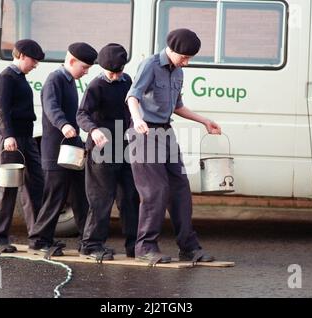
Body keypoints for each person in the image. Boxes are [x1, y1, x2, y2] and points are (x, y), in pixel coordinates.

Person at [126, 29, 221, 264]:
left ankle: (188, 247)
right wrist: (137, 120)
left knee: (180, 188)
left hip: (166, 132)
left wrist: (204, 121)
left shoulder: (178, 72)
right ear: (172, 49)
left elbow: (178, 106)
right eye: (184, 57)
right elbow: (132, 96)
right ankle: (145, 247)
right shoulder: (149, 65)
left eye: (190, 58)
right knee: (155, 191)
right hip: (144, 132)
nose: (186, 63)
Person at [28, 43, 98, 257]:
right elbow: (51, 107)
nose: (86, 72)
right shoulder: (55, 79)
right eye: (84, 67)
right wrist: (64, 125)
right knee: (55, 197)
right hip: (55, 150)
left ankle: (89, 242)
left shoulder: (69, 81)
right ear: (72, 61)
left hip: (71, 147)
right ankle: (39, 240)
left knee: (80, 195)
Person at [77, 43, 140, 261]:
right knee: (101, 198)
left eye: (118, 72)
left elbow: (132, 108)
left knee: (130, 197)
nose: (114, 76)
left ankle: (134, 245)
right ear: (102, 68)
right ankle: (91, 244)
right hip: (102, 148)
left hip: (124, 147)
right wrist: (93, 130)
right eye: (110, 72)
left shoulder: (128, 81)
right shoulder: (96, 85)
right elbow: (82, 114)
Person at [0, 39, 45, 253]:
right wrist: (8, 135)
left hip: (26, 139)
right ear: (20, 55)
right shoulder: (7, 77)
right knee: (7, 189)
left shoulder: (20, 77)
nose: (35, 65)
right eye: (33, 60)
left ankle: (39, 238)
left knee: (35, 185)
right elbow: (2, 109)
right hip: (10, 140)